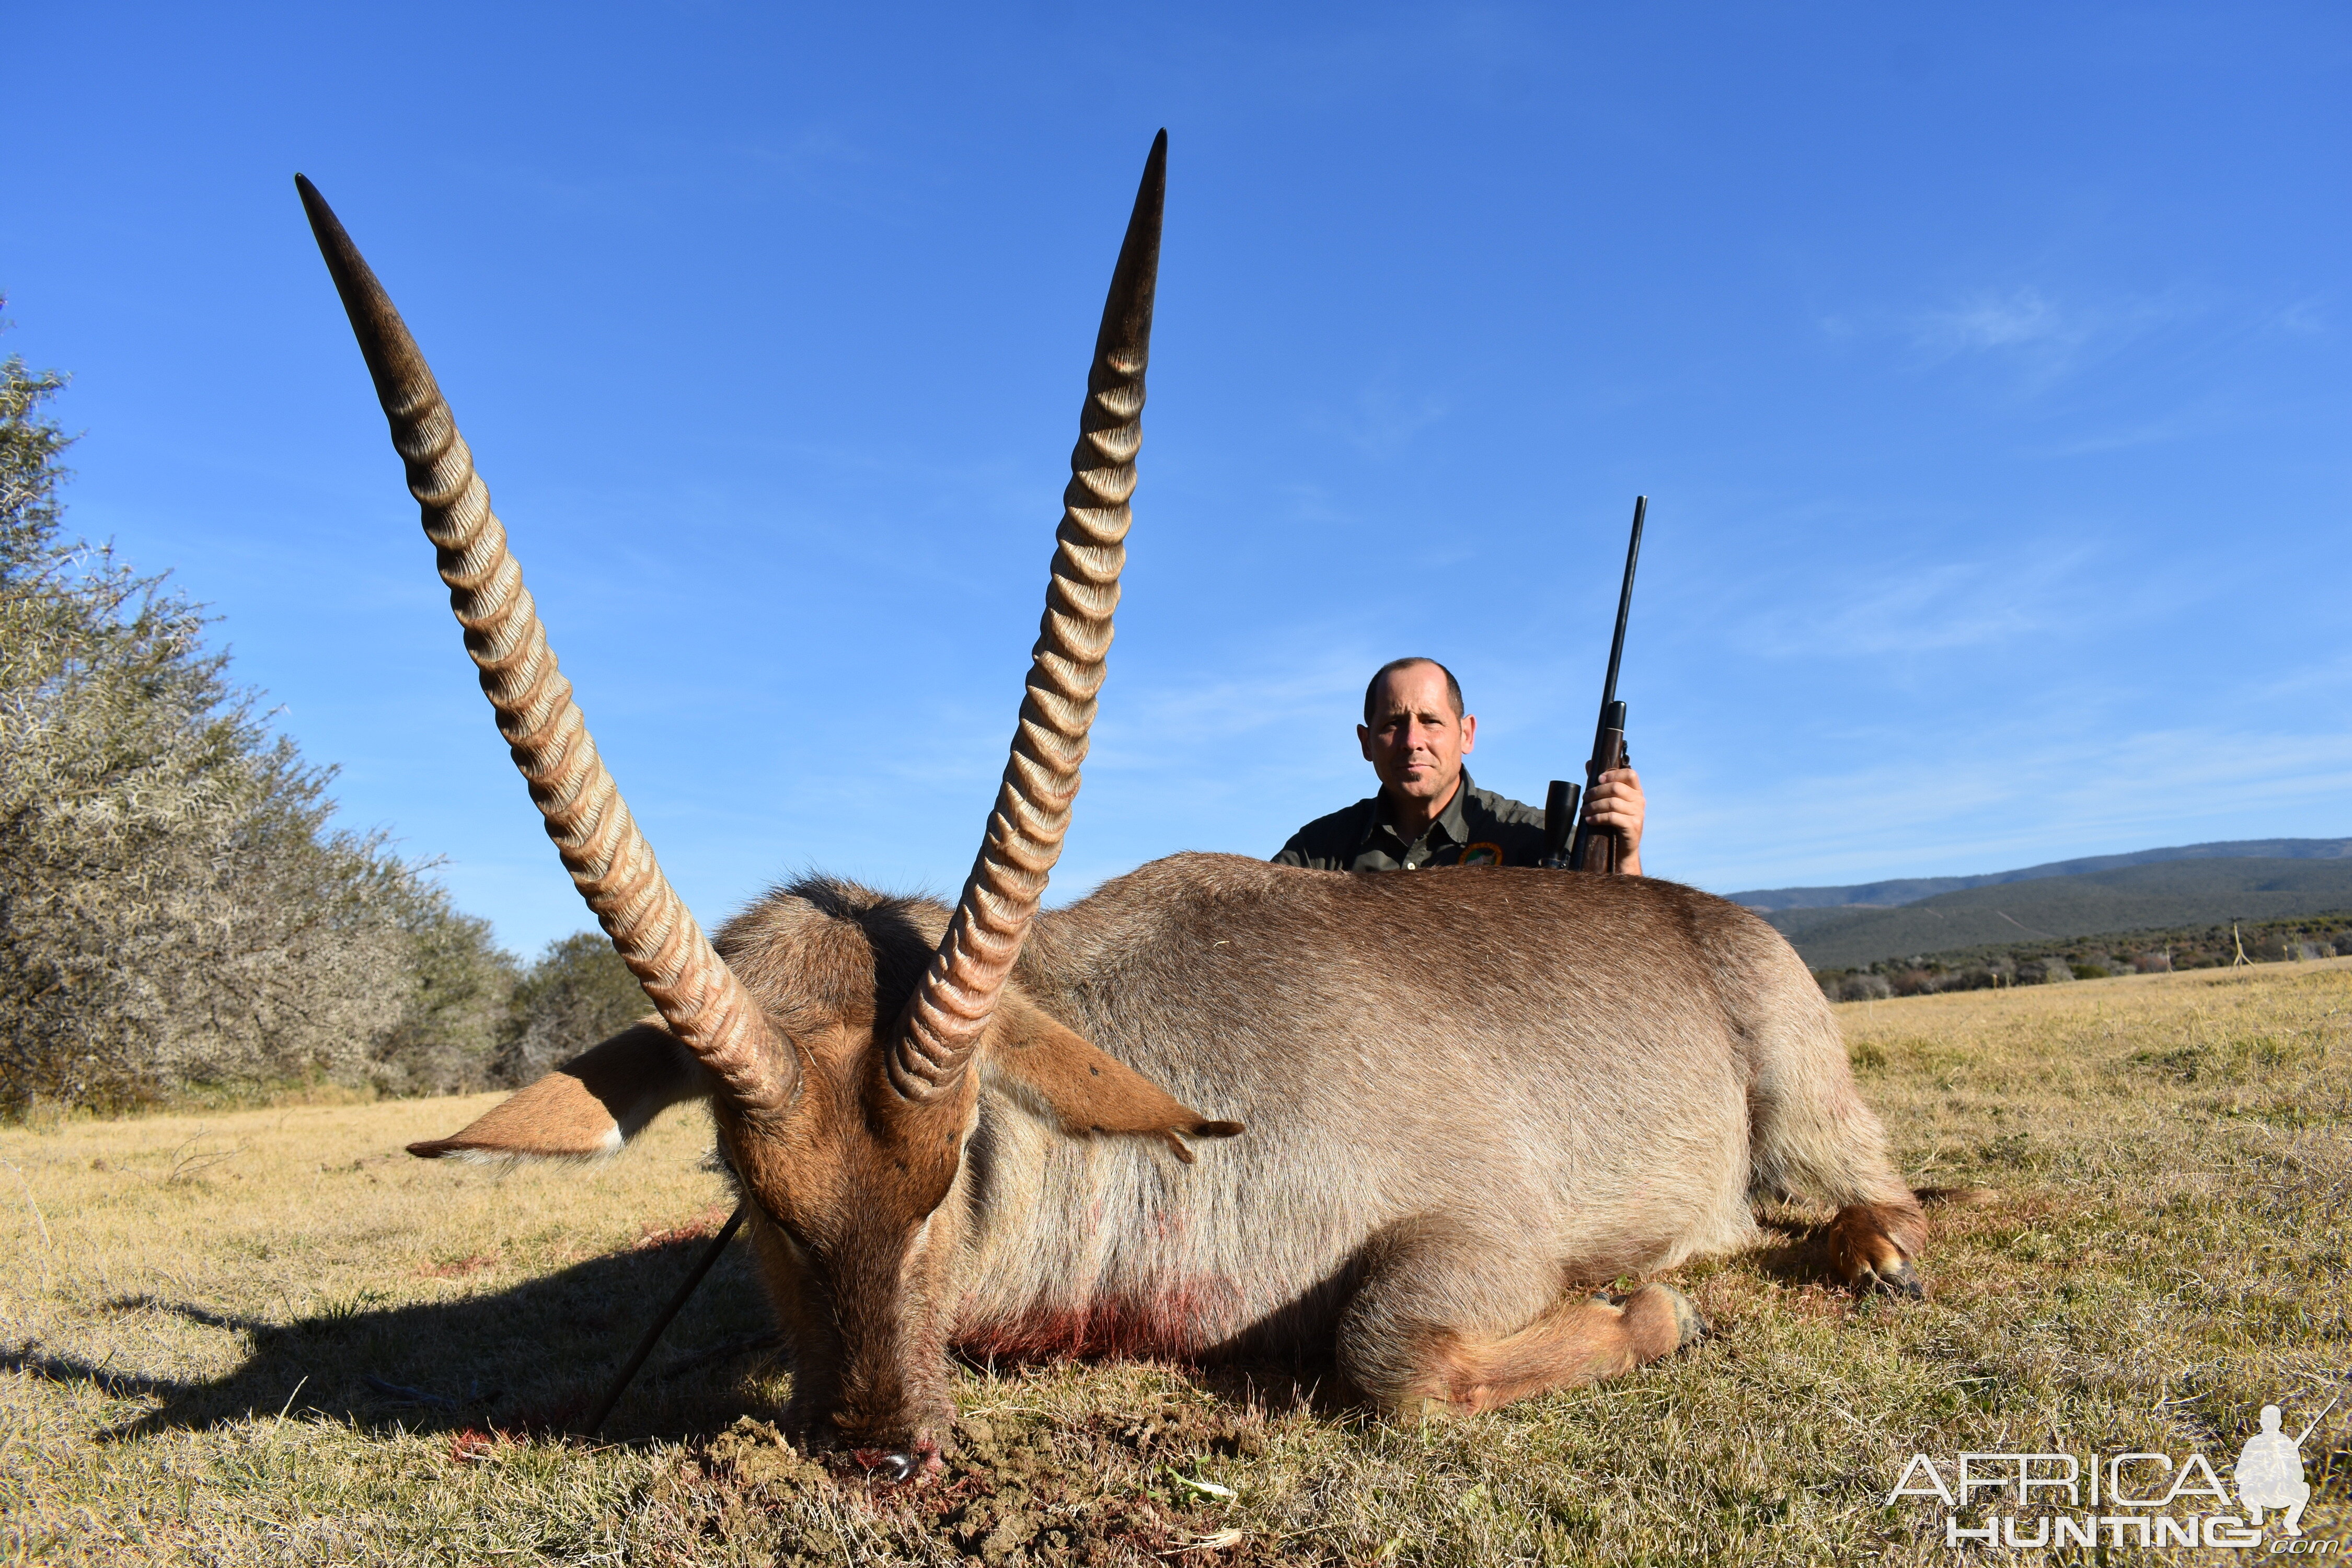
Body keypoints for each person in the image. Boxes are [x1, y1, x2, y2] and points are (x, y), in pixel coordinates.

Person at [1273, 656, 1646, 873]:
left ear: (1467, 734)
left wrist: (1626, 856)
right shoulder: (1317, 853)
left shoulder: (1536, 840)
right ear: (1366, 742)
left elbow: (1627, 955)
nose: (1411, 741)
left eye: (1431, 721)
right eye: (1391, 725)